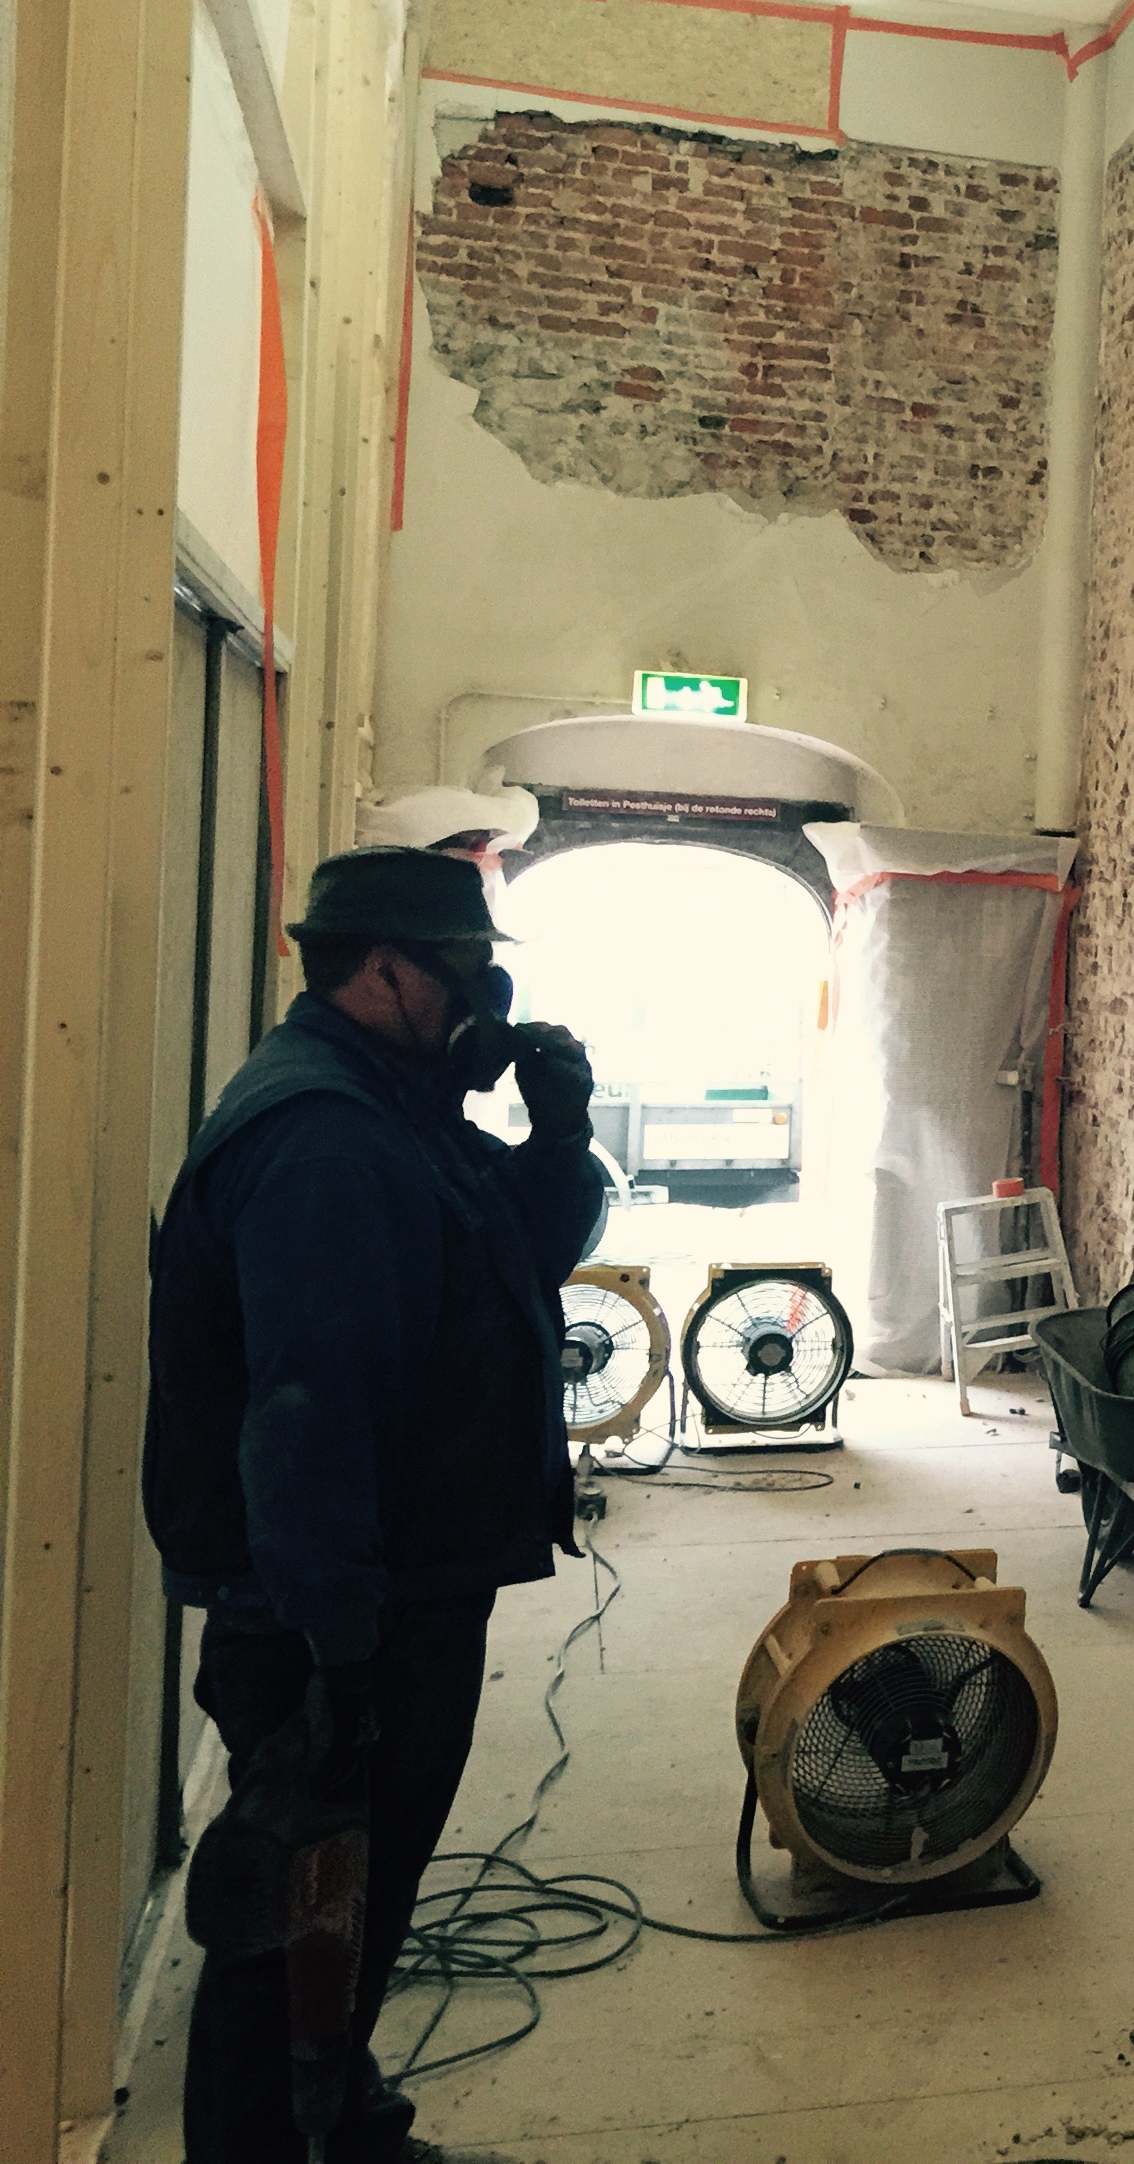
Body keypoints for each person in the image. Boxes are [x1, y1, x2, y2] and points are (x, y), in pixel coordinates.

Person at [145, 847, 602, 2164]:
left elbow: (526, 1253)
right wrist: (338, 1657)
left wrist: (558, 1138)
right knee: (292, 1917)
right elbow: (311, 1415)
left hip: (396, 1591)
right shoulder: (328, 1140)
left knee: (353, 1897)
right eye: (464, 971)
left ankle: (344, 2122)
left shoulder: (393, 1105)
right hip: (341, 1617)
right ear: (385, 970)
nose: (485, 1000)